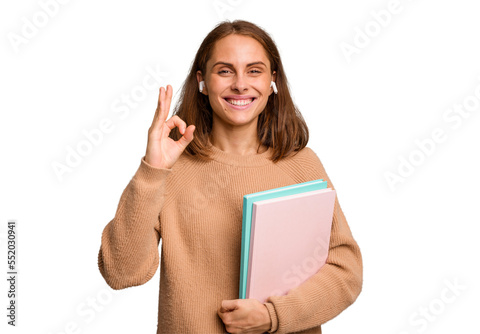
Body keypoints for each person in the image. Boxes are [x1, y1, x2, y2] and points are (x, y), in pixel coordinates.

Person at [98, 20, 363, 334]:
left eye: (254, 70)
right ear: (202, 81)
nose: (240, 84)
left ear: (272, 80)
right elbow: (121, 272)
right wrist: (152, 171)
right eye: (224, 71)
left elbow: (346, 271)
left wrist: (273, 316)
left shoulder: (302, 165)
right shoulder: (171, 168)